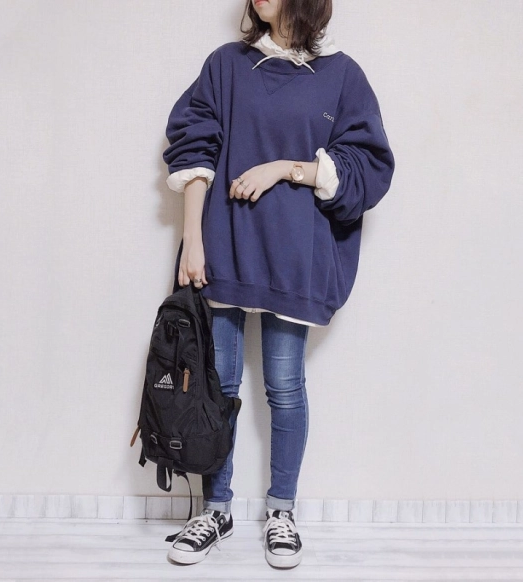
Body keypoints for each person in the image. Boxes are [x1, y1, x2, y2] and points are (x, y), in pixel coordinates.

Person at [161, 0, 395, 569]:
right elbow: (194, 146)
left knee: (285, 386)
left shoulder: (341, 75)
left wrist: (284, 168)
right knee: (218, 384)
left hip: (294, 254)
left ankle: (281, 511)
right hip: (225, 245)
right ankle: (216, 509)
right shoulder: (226, 65)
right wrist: (192, 239)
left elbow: (368, 166)